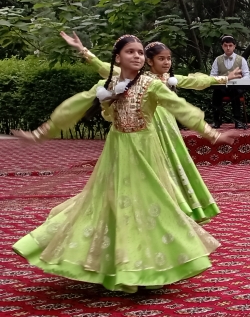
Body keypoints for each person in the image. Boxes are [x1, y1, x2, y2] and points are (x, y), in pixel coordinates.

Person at [10, 34, 234, 293]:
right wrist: (40, 133)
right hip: (117, 151)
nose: (137, 56)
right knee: (111, 204)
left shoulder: (151, 84)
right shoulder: (108, 84)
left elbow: (181, 108)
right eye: (131, 52)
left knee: (150, 203)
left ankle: (148, 264)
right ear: (118, 58)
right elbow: (74, 107)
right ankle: (117, 264)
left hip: (145, 152)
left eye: (140, 52)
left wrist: (212, 134)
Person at [68, 33, 240, 223]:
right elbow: (105, 68)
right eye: (161, 58)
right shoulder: (141, 78)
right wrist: (83, 51)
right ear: (149, 61)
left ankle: (181, 205)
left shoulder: (167, 79)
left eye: (168, 58)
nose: (166, 62)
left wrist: (225, 78)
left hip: (167, 127)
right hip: (147, 130)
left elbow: (197, 82)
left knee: (173, 162)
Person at [210, 35, 250, 129]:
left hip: (235, 87)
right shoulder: (217, 60)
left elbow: (247, 76)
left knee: (235, 92)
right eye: (225, 45)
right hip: (222, 87)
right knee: (216, 92)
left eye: (230, 45)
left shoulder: (241, 60)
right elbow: (212, 76)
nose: (228, 48)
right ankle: (216, 121)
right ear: (222, 46)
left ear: (234, 46)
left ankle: (238, 121)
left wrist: (237, 82)